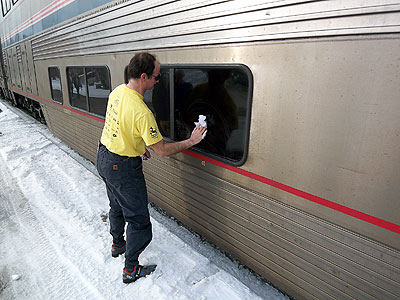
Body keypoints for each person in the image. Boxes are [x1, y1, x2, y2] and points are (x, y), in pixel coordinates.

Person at [96, 52, 206, 284]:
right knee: (139, 221)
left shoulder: (118, 91)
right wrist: (191, 141)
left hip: (104, 156)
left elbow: (119, 126)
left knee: (116, 205)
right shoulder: (142, 112)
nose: (158, 81)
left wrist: (138, 146)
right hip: (123, 168)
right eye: (156, 77)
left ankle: (118, 244)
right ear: (144, 76)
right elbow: (163, 150)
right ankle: (130, 269)